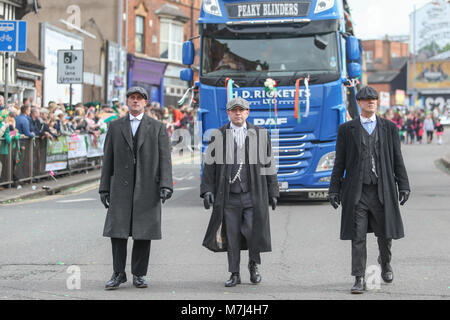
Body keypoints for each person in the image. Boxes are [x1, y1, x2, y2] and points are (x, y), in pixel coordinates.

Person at [328, 86, 410, 294]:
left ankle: (385, 261)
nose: (371, 102)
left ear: (377, 103)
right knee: (358, 236)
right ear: (359, 103)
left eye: (373, 99)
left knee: (385, 235)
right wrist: (334, 189)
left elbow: (397, 158)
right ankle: (359, 278)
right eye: (366, 99)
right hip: (357, 192)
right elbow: (340, 162)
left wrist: (404, 185)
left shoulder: (389, 128)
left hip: (382, 190)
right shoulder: (347, 129)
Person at [99, 86, 173, 290]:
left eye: (139, 99)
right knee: (118, 233)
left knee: (143, 233)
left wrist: (166, 184)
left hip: (148, 186)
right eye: (132, 98)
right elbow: (108, 159)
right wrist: (104, 188)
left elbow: (166, 159)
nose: (135, 101)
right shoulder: (114, 127)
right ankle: (118, 273)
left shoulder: (157, 127)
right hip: (120, 188)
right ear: (127, 101)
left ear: (145, 103)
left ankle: (139, 274)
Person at [200, 97, 279, 287]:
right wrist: (207, 191)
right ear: (228, 113)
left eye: (241, 110)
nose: (238, 113)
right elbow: (209, 167)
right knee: (232, 235)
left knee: (253, 232)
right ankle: (234, 273)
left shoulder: (260, 134)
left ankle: (253, 265)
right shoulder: (217, 135)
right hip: (229, 196)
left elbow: (269, 163)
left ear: (247, 113)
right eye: (234, 110)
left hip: (253, 194)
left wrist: (273, 191)